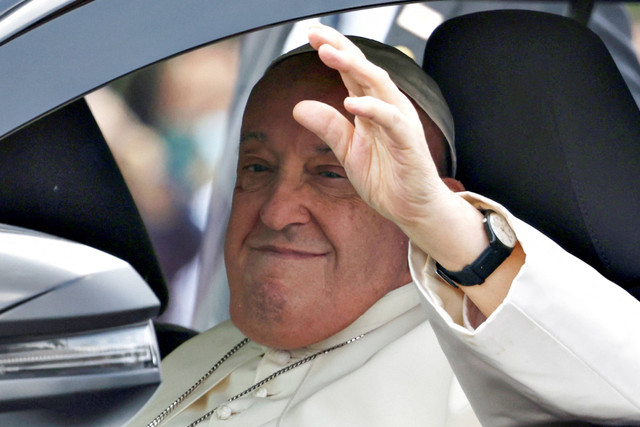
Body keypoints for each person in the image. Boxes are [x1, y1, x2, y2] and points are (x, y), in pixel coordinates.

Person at [127, 25, 640, 426]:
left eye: (334, 174)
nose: (276, 211)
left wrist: (447, 228)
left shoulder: (490, 375)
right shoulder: (189, 354)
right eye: (256, 168)